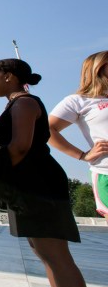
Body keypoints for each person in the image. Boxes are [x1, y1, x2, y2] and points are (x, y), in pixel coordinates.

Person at [0, 59, 88, 287]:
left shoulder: (25, 103)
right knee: (47, 254)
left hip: (38, 185)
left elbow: (19, 147)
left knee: (57, 257)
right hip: (28, 185)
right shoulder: (17, 103)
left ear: (8, 76)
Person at [48, 50, 108, 216]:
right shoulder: (79, 100)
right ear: (99, 68)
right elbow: (47, 130)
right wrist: (82, 155)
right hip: (106, 171)